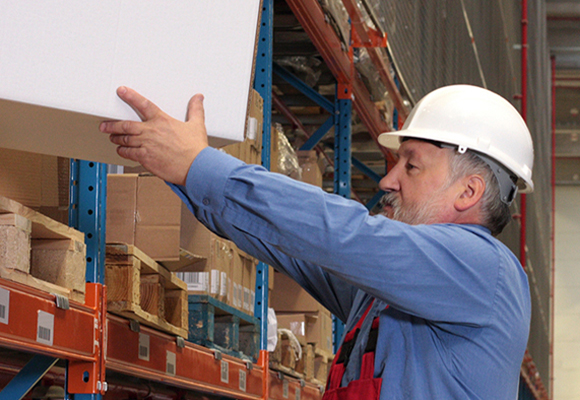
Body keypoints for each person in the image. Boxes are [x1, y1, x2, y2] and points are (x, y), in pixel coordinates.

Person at [100, 84, 534, 399]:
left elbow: (344, 234)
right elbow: (295, 245)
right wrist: (184, 173)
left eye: (411, 166)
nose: (388, 180)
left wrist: (201, 165)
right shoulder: (391, 293)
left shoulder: (484, 270)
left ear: (469, 192)